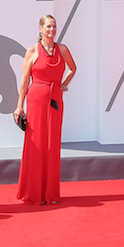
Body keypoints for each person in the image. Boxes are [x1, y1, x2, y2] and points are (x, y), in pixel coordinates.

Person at [14, 15, 77, 204]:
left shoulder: (62, 49)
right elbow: (25, 80)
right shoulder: (32, 51)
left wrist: (62, 85)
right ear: (40, 28)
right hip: (36, 99)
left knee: (52, 143)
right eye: (48, 26)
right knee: (36, 143)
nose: (52, 30)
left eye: (54, 26)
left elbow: (73, 68)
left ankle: (50, 193)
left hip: (55, 98)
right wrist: (19, 106)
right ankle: (34, 192)